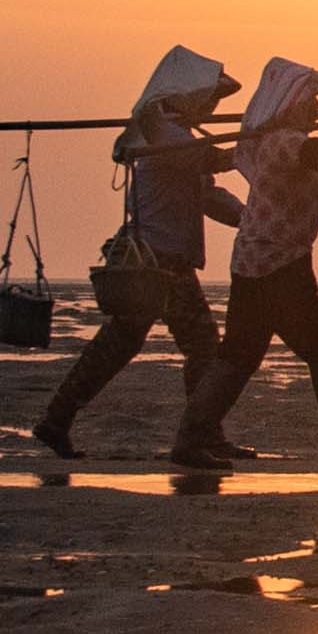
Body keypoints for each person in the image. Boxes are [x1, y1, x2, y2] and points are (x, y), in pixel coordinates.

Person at [171, 59, 318, 472]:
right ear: (290, 106)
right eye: (310, 103)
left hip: (253, 263)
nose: (316, 111)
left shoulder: (284, 148)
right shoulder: (284, 142)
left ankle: (190, 439)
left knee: (238, 358)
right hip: (279, 265)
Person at [33, 45, 247, 459]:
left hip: (160, 258)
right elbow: (214, 160)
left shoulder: (172, 135)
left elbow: (206, 194)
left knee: (120, 344)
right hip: (158, 262)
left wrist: (248, 216)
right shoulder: (163, 132)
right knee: (201, 346)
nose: (211, 106)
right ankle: (200, 435)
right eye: (210, 99)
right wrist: (262, 140)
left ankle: (57, 419)